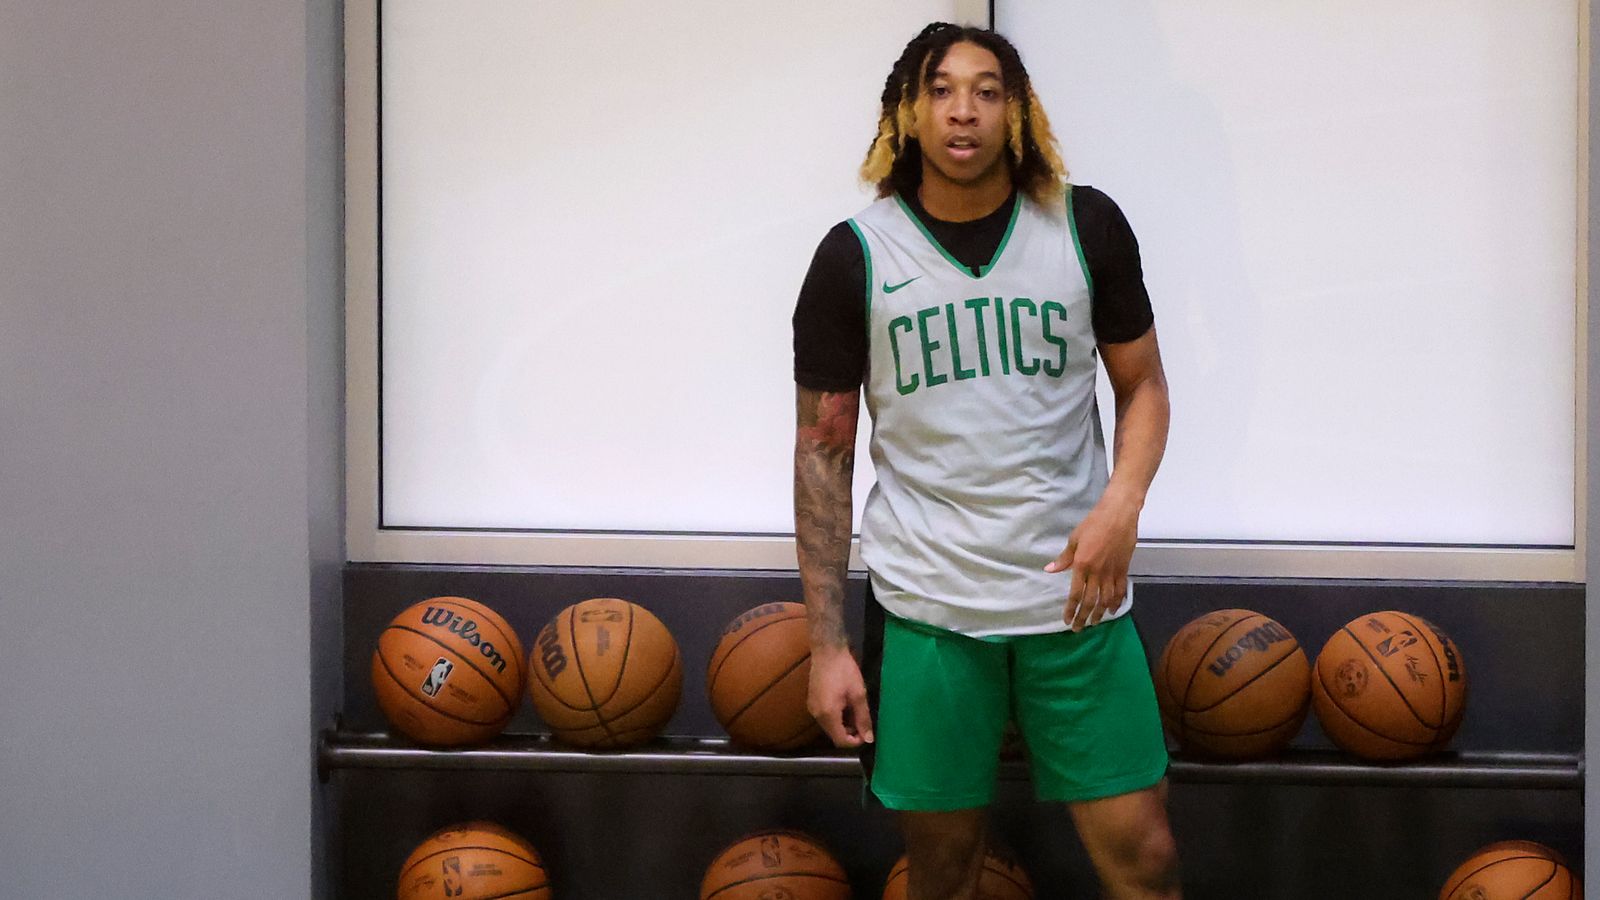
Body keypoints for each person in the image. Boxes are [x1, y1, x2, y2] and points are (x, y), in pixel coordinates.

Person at [791, 22, 1181, 900]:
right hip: (929, 610)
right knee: (939, 870)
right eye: (940, 90)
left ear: (1016, 113)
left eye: (986, 90)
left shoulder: (1085, 226)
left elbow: (1145, 386)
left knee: (1147, 858)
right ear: (908, 113)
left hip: (1077, 603)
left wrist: (1122, 504)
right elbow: (822, 457)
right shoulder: (855, 256)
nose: (962, 110)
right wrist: (826, 644)